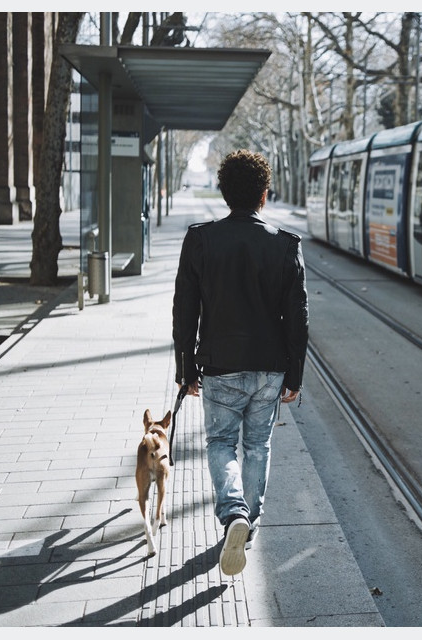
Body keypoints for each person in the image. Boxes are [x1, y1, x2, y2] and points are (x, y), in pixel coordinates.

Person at [172, 149, 309, 576]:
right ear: (264, 195)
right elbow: (298, 318)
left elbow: (185, 310)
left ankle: (233, 513)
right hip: (270, 366)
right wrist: (295, 376)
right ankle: (246, 531)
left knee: (219, 444)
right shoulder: (285, 245)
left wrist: (185, 369)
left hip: (219, 363)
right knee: (257, 446)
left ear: (224, 191)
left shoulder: (200, 239)